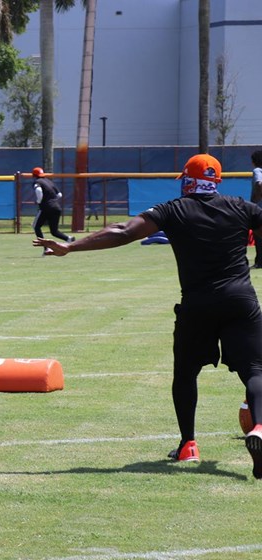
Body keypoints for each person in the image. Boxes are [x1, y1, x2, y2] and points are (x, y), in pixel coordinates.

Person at [34, 154, 262, 479]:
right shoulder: (241, 207)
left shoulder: (174, 209)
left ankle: (188, 445)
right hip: (240, 300)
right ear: (217, 180)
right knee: (255, 369)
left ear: (187, 179)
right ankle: (260, 427)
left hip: (197, 304)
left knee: (185, 373)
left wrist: (71, 247)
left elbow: (125, 231)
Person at [31, 167, 74, 254]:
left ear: (34, 175)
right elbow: (59, 194)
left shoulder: (37, 182)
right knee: (54, 231)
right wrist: (53, 201)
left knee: (36, 226)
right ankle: (68, 239)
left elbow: (39, 190)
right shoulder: (49, 181)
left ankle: (46, 248)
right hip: (56, 208)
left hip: (46, 208)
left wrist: (39, 201)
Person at [251, 151, 262, 268]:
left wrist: (256, 198)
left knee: (258, 236)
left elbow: (259, 184)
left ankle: (260, 262)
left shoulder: (257, 171)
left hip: (259, 208)